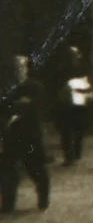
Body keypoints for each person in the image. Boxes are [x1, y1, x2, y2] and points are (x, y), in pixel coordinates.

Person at [1, 56, 52, 213]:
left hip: (30, 134)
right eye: (15, 68)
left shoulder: (35, 87)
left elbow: (32, 107)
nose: (18, 71)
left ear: (26, 69)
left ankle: (43, 198)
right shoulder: (8, 89)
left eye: (21, 67)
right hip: (11, 134)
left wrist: (16, 111)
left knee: (35, 167)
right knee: (7, 169)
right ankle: (8, 204)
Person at [52, 45, 93, 166]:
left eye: (74, 55)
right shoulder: (61, 70)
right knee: (66, 131)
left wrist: (86, 94)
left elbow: (90, 85)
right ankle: (69, 156)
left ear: (78, 56)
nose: (72, 58)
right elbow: (57, 87)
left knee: (79, 130)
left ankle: (76, 152)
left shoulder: (84, 69)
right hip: (66, 105)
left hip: (80, 104)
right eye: (70, 56)